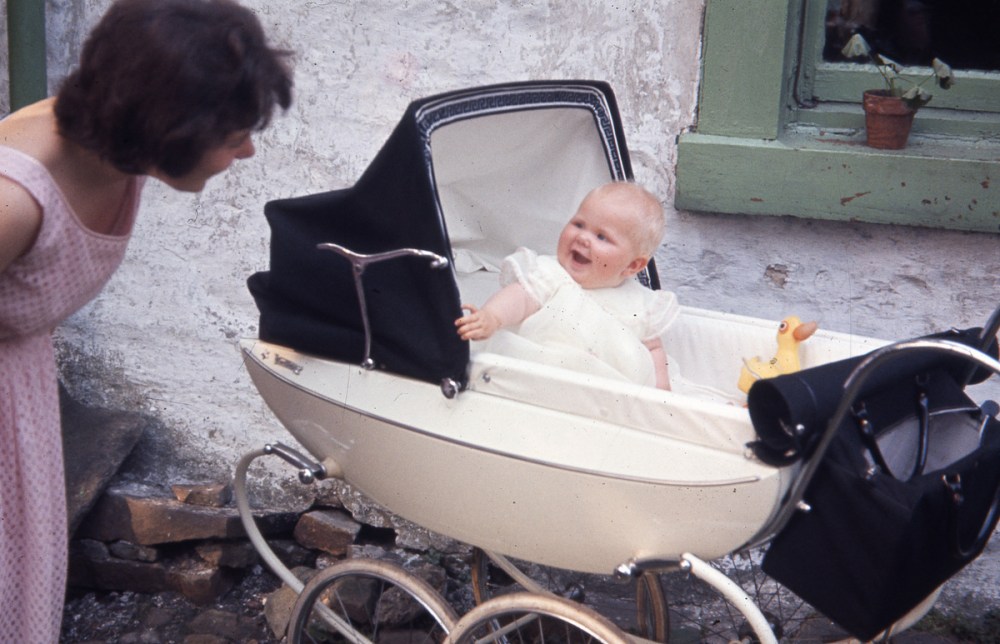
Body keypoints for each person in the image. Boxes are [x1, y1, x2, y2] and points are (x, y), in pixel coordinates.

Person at [0, 0, 292, 640]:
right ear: (168, 130)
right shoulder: (14, 202)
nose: (244, 153)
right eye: (233, 135)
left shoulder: (107, 145)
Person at [455, 181, 678, 389]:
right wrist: (492, 317)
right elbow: (518, 298)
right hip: (540, 377)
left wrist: (661, 392)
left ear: (633, 265)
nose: (583, 238)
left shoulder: (640, 303)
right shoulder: (550, 275)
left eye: (602, 237)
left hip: (610, 395)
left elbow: (654, 349)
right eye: (579, 224)